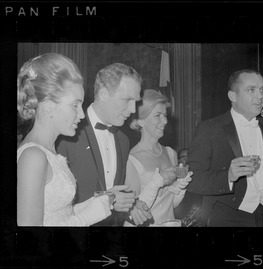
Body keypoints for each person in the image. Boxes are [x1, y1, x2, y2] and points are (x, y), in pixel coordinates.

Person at [17, 53, 112, 226]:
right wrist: (88, 216)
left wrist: (92, 205)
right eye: (75, 105)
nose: (82, 114)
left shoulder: (49, 151)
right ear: (48, 105)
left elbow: (56, 214)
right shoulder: (33, 156)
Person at [56, 63, 152, 226]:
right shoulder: (65, 135)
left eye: (135, 102)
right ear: (103, 94)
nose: (132, 110)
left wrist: (130, 206)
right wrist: (111, 200)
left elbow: (114, 196)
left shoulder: (123, 140)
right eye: (127, 100)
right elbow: (53, 208)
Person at [187, 69, 263, 227]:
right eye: (251, 90)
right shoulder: (209, 129)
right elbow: (192, 179)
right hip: (225, 218)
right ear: (232, 96)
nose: (260, 96)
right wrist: (228, 176)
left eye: (262, 90)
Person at [124, 89, 193, 226]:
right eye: (158, 115)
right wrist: (156, 182)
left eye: (165, 115)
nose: (165, 120)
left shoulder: (171, 153)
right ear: (141, 121)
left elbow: (171, 204)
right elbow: (137, 211)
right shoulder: (132, 160)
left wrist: (180, 187)